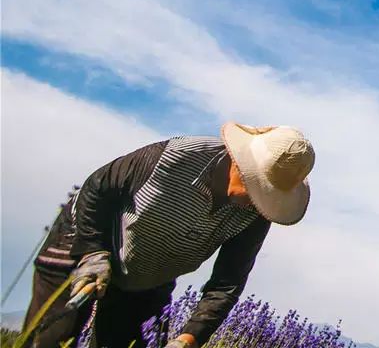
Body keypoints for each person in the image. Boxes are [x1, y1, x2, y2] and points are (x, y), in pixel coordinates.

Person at [22, 123, 316, 348]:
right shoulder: (175, 157)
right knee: (51, 337)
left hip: (147, 276)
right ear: (240, 163)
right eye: (257, 188)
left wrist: (189, 338)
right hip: (82, 242)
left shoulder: (255, 213)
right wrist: (93, 252)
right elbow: (98, 187)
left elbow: (228, 282)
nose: (258, 200)